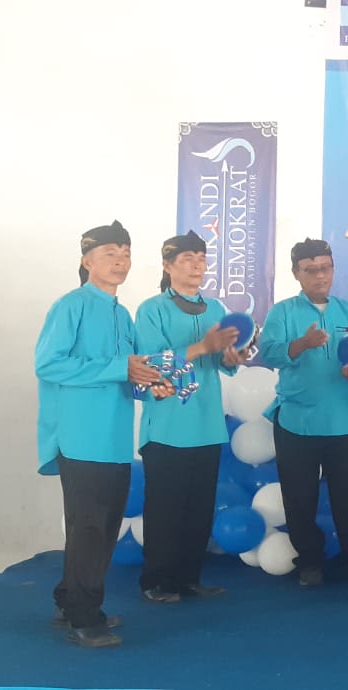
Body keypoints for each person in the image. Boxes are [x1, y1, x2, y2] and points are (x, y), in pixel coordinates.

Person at [36, 220, 163, 648]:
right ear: (86, 261)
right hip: (81, 436)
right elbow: (48, 363)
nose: (120, 261)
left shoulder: (122, 314)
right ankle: (84, 616)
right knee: (89, 528)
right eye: (110, 253)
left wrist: (152, 382)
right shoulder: (71, 305)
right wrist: (119, 368)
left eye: (125, 254)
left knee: (104, 527)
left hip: (114, 438)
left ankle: (69, 600)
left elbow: (129, 371)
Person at [259, 238, 348, 587]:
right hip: (296, 421)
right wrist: (303, 343)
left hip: (343, 420)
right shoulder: (282, 312)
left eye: (325, 268)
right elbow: (269, 352)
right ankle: (310, 561)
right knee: (299, 498)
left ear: (333, 270)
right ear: (296, 273)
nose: (319, 275)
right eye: (310, 270)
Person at [135, 231, 243, 605]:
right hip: (167, 426)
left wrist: (229, 357)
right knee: (165, 508)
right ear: (167, 266)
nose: (197, 266)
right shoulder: (152, 309)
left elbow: (221, 363)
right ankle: (156, 581)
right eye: (187, 259)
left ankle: (188, 578)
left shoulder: (215, 308)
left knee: (199, 508)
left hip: (207, 423)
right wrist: (203, 346)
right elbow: (151, 363)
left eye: (201, 258)